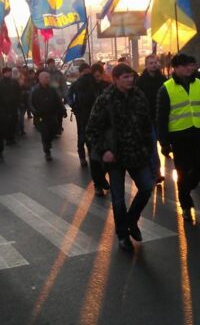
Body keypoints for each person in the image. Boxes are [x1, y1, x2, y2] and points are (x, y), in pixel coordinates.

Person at [86, 63, 155, 251]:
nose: (130, 79)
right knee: (118, 198)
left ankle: (131, 220)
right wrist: (104, 151)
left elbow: (147, 124)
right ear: (116, 79)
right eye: (125, 77)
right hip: (115, 157)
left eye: (131, 76)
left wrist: (149, 149)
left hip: (136, 153)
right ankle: (123, 235)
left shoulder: (139, 96)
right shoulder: (105, 99)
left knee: (147, 187)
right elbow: (92, 130)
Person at [157, 54, 200, 220]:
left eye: (191, 65)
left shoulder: (199, 83)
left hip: (196, 132)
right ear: (176, 68)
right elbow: (161, 117)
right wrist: (164, 142)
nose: (190, 68)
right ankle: (186, 204)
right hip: (178, 136)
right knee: (182, 171)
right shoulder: (166, 88)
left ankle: (185, 190)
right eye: (186, 65)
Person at [68, 62, 110, 195]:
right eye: (95, 75)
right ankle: (97, 183)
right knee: (94, 157)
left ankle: (102, 177)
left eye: (100, 75)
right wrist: (75, 108)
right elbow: (72, 98)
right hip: (88, 124)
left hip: (106, 127)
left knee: (107, 156)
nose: (97, 78)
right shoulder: (83, 86)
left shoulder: (106, 86)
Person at [135, 54, 168, 182]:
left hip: (163, 117)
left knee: (166, 143)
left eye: (155, 62)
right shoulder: (141, 81)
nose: (154, 65)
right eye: (151, 63)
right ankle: (156, 172)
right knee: (153, 147)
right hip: (148, 118)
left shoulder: (163, 79)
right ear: (146, 65)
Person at [31, 71, 66, 161]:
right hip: (41, 116)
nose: (48, 79)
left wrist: (63, 110)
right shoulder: (35, 90)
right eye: (46, 78)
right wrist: (34, 112)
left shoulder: (52, 89)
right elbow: (30, 102)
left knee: (54, 130)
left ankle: (48, 142)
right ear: (41, 79)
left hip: (52, 115)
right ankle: (47, 151)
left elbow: (58, 100)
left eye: (48, 77)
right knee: (45, 134)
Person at [0, 67, 21, 145]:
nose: (9, 73)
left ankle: (12, 137)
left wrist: (18, 101)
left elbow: (18, 92)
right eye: (8, 72)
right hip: (4, 107)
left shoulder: (14, 81)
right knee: (6, 123)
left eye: (10, 72)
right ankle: (7, 138)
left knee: (13, 122)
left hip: (13, 106)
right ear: (4, 73)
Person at [45, 58, 68, 134]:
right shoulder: (45, 73)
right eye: (50, 63)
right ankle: (52, 128)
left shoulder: (59, 73)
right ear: (48, 65)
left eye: (53, 63)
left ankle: (59, 127)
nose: (52, 64)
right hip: (48, 97)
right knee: (50, 114)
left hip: (58, 96)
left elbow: (63, 85)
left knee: (59, 113)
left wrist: (65, 96)